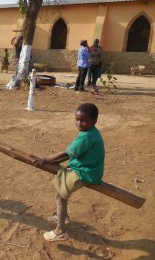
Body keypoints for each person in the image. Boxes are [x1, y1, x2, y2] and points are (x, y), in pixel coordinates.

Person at [34, 103, 105, 242]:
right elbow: (72, 154)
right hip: (85, 168)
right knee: (59, 192)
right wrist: (54, 161)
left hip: (86, 173)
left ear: (94, 121)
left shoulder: (87, 136)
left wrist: (47, 159)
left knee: (60, 196)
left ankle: (60, 231)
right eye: (77, 119)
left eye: (83, 120)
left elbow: (67, 154)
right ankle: (64, 217)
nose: (79, 123)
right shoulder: (91, 132)